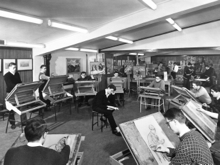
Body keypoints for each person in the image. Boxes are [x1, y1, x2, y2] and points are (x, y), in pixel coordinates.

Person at [4, 118, 71, 165]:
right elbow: (64, 159)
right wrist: (67, 145)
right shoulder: (51, 155)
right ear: (44, 135)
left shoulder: (10, 153)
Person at [4, 62, 27, 129]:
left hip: (18, 92)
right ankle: (12, 123)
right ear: (9, 68)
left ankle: (24, 122)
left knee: (23, 105)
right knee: (11, 108)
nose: (15, 69)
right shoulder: (6, 75)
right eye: (13, 68)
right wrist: (18, 86)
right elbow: (10, 85)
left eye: (15, 67)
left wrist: (22, 86)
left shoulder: (17, 74)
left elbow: (20, 81)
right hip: (10, 93)